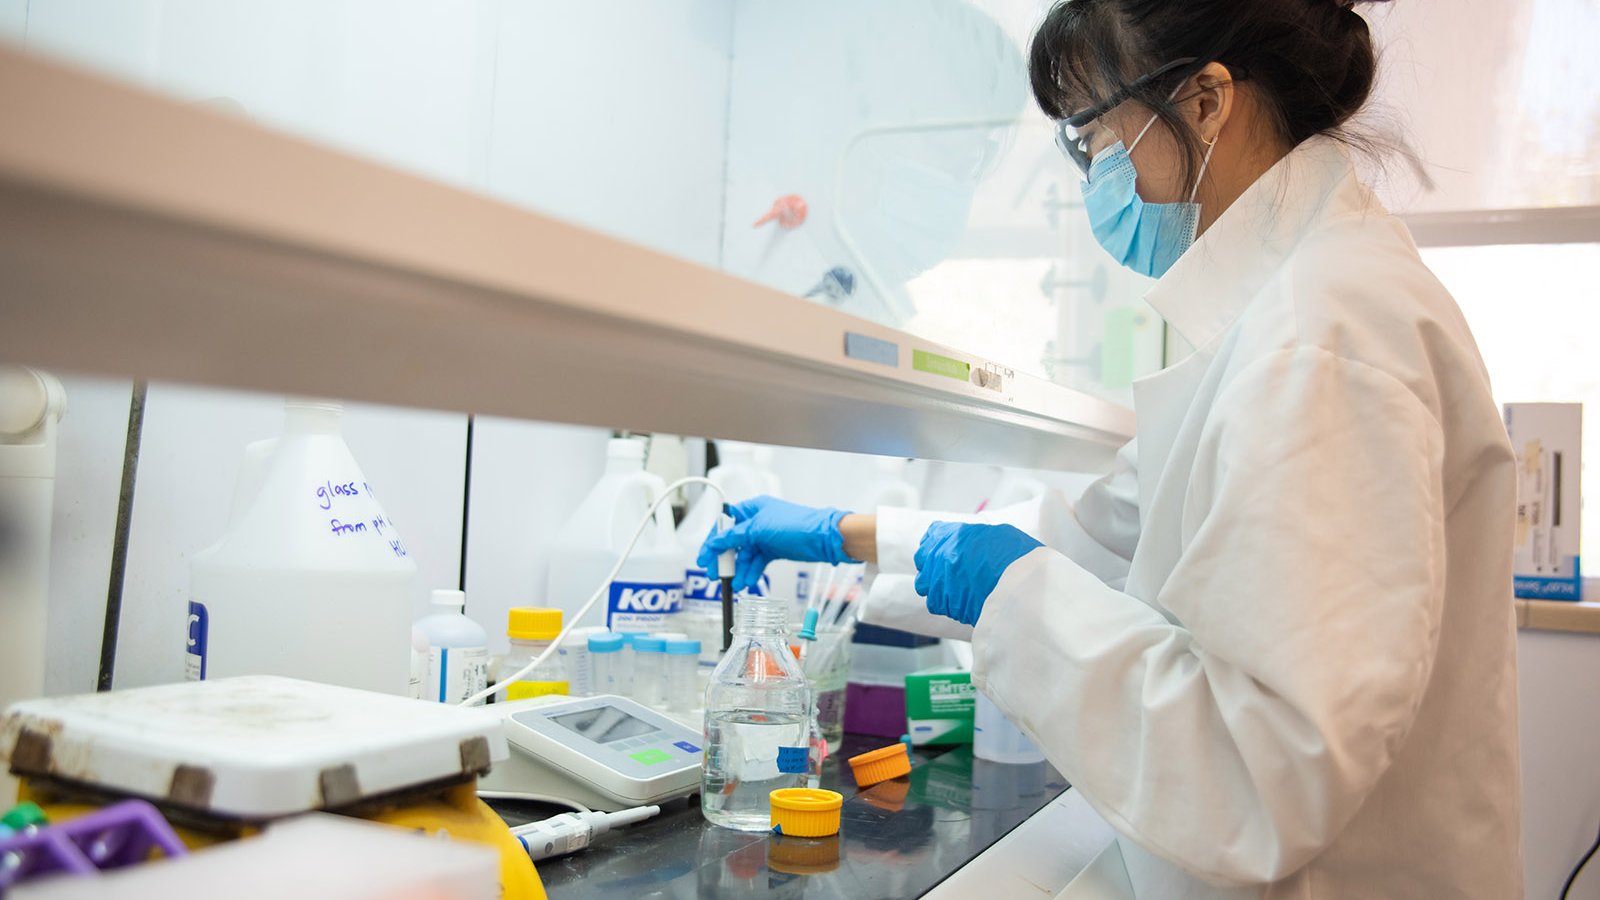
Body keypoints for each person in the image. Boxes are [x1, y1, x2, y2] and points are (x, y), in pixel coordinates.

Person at [700, 0, 1522, 897]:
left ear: (1207, 101)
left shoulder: (1321, 332)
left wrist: (1011, 586)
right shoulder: (1279, 310)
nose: (1091, 170)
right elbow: (1097, 533)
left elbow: (1265, 774)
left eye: (1092, 132)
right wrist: (843, 534)